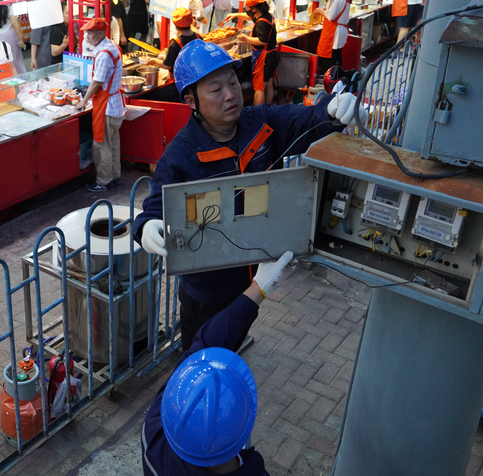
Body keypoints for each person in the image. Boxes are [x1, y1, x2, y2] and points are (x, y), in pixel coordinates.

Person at [134, 40, 365, 353]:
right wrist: (146, 226)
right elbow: (154, 208)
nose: (230, 95)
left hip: (252, 273)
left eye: (233, 82)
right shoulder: (181, 156)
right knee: (202, 357)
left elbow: (309, 120)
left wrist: (334, 109)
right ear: (190, 100)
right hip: (209, 288)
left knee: (232, 341)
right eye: (215, 90)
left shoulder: (262, 124)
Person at [142, 251, 294, 476]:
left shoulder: (155, 436)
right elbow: (205, 342)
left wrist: (257, 290)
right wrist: (260, 288)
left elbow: (202, 346)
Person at [76, 18, 126, 193]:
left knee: (101, 146)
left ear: (99, 34)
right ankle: (115, 177)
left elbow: (97, 82)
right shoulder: (112, 46)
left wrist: (83, 100)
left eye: (89, 33)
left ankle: (103, 182)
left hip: (107, 107)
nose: (87, 36)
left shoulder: (104, 54)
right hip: (116, 105)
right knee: (113, 143)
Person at [236, 0, 278, 106]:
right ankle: (268, 110)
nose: (247, 10)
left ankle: (258, 113)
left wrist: (246, 38)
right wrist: (235, 15)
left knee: (259, 89)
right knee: (268, 85)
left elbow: (262, 41)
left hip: (264, 58)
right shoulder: (265, 16)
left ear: (254, 9)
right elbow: (250, 17)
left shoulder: (262, 22)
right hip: (271, 55)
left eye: (248, 8)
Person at [312, 0, 352, 72]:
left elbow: (330, 15)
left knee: (329, 61)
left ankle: (329, 84)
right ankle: (337, 81)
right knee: (337, 58)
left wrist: (320, 11)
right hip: (340, 30)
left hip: (333, 32)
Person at [0, 2, 26, 75]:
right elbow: (14, 23)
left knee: (3, 61)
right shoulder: (9, 6)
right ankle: (22, 82)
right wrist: (20, 39)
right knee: (16, 61)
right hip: (10, 35)